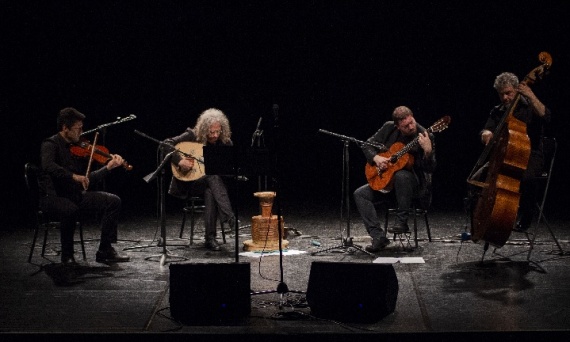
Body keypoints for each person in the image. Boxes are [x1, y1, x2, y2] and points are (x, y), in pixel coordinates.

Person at [39, 107, 130, 265]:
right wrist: (73, 176)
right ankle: (67, 256)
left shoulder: (78, 148)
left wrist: (109, 167)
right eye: (78, 128)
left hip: (74, 196)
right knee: (70, 209)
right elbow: (48, 166)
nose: (81, 132)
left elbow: (87, 179)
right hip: (54, 198)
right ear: (65, 128)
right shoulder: (50, 144)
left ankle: (105, 250)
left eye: (82, 128)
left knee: (113, 201)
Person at [353, 106, 436, 252]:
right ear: (397, 127)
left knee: (401, 175)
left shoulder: (425, 135)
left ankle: (402, 222)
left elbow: (429, 169)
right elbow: (367, 145)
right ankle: (379, 237)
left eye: (412, 122)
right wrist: (376, 158)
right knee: (360, 194)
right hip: (389, 184)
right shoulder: (388, 128)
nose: (411, 127)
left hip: (413, 187)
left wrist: (428, 152)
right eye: (406, 126)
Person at [478, 72, 551, 232]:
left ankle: (525, 215)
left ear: (517, 90)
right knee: (480, 178)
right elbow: (486, 129)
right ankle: (488, 219)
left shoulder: (529, 107)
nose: (505, 98)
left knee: (524, 177)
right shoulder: (497, 111)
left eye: (508, 93)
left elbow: (547, 117)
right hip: (505, 156)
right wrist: (486, 134)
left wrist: (531, 95)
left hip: (531, 154)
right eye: (501, 94)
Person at [162, 108, 236, 251]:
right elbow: (166, 144)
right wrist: (180, 161)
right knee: (211, 176)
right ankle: (229, 217)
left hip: (214, 187)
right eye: (211, 132)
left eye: (217, 131)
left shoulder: (225, 143)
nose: (215, 135)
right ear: (204, 129)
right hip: (190, 184)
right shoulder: (192, 135)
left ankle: (210, 238)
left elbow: (227, 173)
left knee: (210, 188)